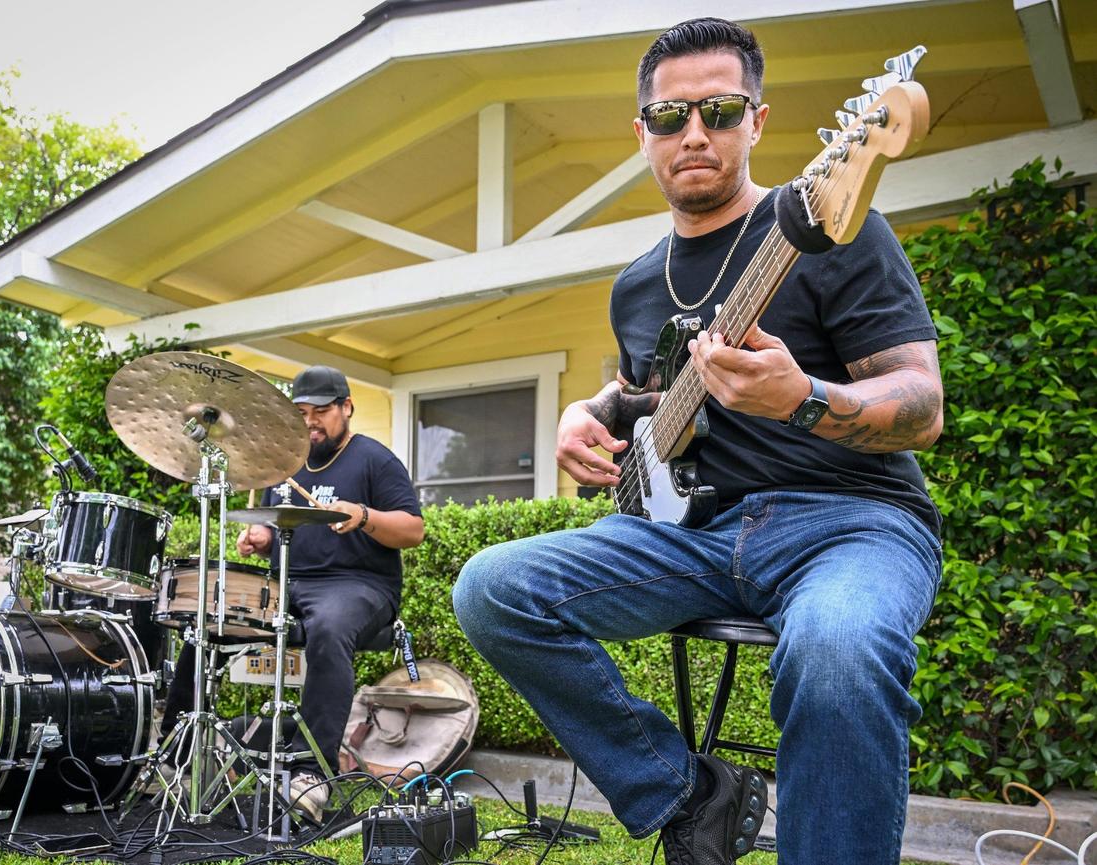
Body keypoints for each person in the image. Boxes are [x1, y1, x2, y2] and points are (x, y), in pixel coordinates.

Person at [452, 17, 943, 865]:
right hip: (692, 535)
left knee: (835, 648)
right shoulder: (639, 282)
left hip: (852, 521)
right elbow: (653, 389)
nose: (696, 133)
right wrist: (590, 412)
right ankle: (689, 794)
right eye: (671, 116)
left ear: (756, 120)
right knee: (492, 588)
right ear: (641, 133)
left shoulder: (834, 223)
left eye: (720, 110)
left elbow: (921, 405)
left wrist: (806, 398)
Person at [162, 365, 424, 822]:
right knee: (206, 616)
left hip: (359, 587)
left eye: (321, 411)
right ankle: (177, 760)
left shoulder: (374, 460)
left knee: (328, 627)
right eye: (301, 412)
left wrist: (362, 514)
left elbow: (413, 530)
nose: (309, 422)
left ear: (346, 407)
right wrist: (260, 539)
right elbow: (273, 526)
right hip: (288, 586)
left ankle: (310, 773)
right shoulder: (282, 462)